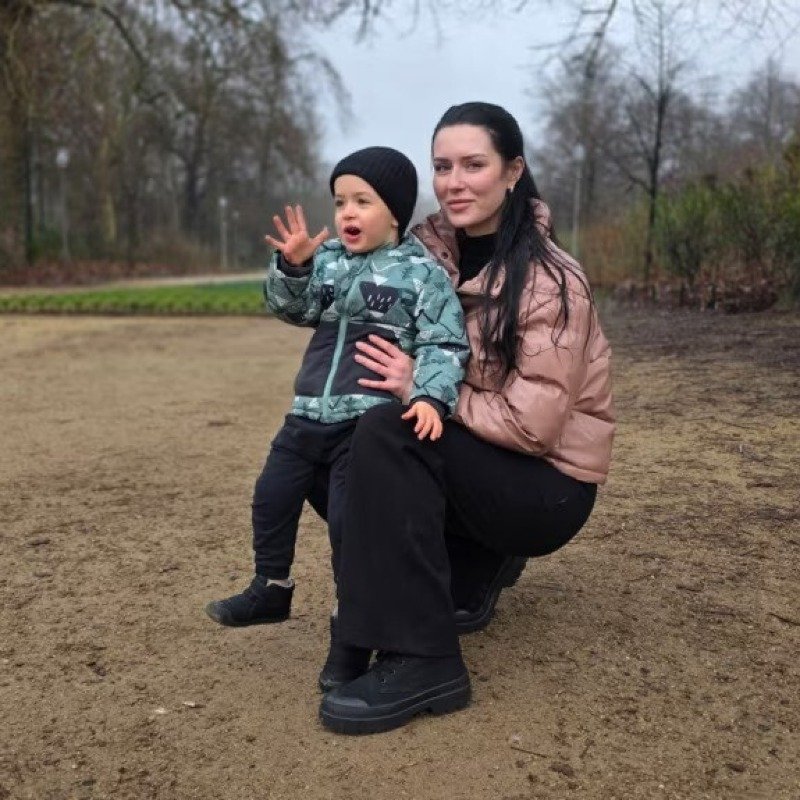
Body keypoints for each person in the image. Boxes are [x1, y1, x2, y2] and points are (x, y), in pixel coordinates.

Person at [316, 102, 615, 735]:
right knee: (330, 445)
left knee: (386, 435)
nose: (455, 182)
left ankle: (428, 660)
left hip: (545, 485)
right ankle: (471, 565)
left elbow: (534, 427)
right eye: (442, 166)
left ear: (513, 171)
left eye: (474, 164)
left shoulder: (553, 281)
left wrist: (419, 386)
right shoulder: (419, 256)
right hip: (475, 459)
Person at [204, 147, 469, 659]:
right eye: (339, 201)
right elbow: (292, 308)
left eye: (362, 201)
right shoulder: (326, 263)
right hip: (307, 414)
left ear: (395, 211)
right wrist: (293, 266)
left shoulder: (422, 274)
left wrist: (430, 395)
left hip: (362, 425)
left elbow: (445, 343)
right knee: (271, 494)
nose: (347, 212)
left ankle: (349, 619)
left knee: (351, 522)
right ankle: (272, 586)